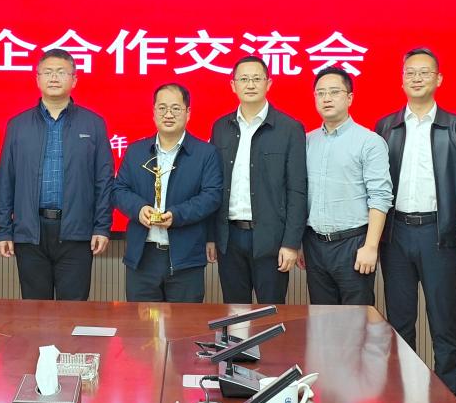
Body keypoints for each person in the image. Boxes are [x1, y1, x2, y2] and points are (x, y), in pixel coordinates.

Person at [375, 48, 456, 397]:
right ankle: (404, 397)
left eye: (424, 72)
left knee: (443, 323)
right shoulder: (386, 127)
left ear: (439, 79)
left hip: (438, 235)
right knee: (400, 323)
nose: (416, 78)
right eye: (410, 73)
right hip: (396, 235)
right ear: (402, 80)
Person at [0, 48, 113, 301]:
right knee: (35, 311)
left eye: (61, 72)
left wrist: (102, 227)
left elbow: (104, 181)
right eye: (48, 72)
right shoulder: (18, 125)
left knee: (73, 310)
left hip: (77, 232)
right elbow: (5, 180)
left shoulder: (93, 124)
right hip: (30, 231)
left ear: (74, 79)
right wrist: (3, 230)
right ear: (37, 79)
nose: (54, 77)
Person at [207, 55, 307, 304]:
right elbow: (212, 187)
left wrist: (291, 243)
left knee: (270, 314)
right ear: (233, 85)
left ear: (268, 83)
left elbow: (297, 190)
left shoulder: (290, 128)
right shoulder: (220, 127)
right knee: (234, 312)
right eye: (243, 79)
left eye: (256, 79)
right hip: (229, 238)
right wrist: (211, 236)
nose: (250, 85)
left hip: (271, 240)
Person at [114, 84, 222, 302]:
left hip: (185, 258)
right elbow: (118, 190)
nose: (168, 114)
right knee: (141, 322)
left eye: (175, 108)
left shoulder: (206, 153)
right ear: (153, 112)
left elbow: (212, 196)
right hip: (142, 257)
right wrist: (139, 209)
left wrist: (176, 215)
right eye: (162, 108)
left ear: (188, 113)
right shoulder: (136, 151)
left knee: (184, 323)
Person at [304, 66, 392, 306]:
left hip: (353, 245)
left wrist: (371, 246)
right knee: (321, 320)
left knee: (357, 320)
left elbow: (380, 196)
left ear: (350, 98)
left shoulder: (369, 142)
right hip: (314, 245)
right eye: (321, 93)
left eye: (334, 92)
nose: (327, 98)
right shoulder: (307, 141)